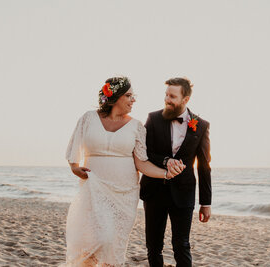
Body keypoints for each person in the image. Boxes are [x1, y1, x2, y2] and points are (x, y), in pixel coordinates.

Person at [63, 76, 185, 267]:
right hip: (93, 190)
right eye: (129, 95)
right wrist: (74, 168)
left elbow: (141, 164)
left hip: (124, 195)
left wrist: (165, 174)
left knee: (111, 244)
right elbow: (73, 151)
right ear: (115, 97)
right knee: (91, 244)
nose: (133, 99)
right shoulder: (89, 118)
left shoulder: (136, 126)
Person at [140, 77, 212, 267]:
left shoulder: (201, 125)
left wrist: (206, 203)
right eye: (166, 95)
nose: (167, 99)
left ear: (185, 99)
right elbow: (144, 152)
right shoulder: (153, 118)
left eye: (172, 96)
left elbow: (204, 166)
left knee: (182, 245)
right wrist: (165, 161)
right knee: (153, 246)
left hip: (184, 193)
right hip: (154, 191)